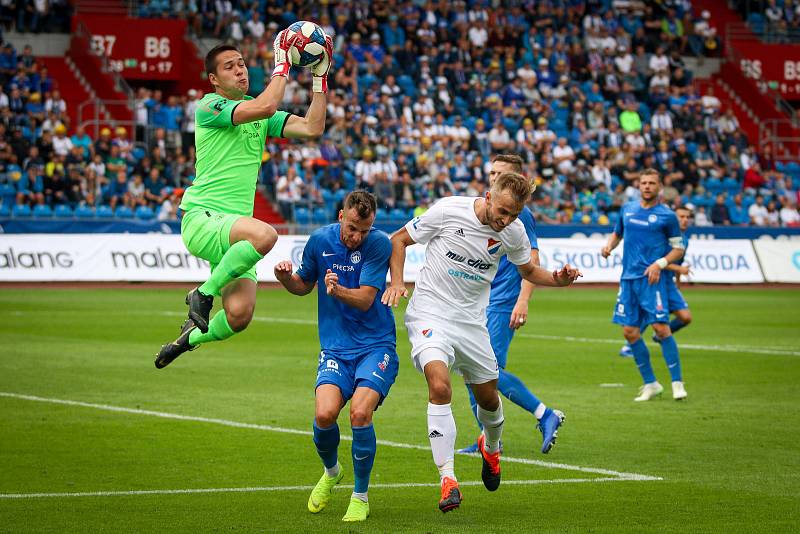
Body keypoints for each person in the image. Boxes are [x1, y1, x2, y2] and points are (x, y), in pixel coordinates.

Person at [381, 173, 581, 513]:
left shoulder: (513, 232)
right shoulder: (448, 211)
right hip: (429, 313)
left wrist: (558, 279)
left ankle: (490, 447)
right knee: (440, 386)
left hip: (472, 324)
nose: (505, 220)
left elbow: (529, 271)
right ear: (488, 196)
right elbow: (397, 240)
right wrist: (398, 281)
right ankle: (448, 480)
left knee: (488, 399)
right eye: (502, 211)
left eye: (513, 215)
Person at [155, 31, 333, 368]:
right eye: (229, 67)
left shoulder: (260, 116)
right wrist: (282, 64)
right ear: (214, 80)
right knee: (266, 235)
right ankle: (203, 294)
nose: (240, 70)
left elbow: (312, 128)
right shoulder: (209, 106)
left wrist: (319, 79)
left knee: (239, 316)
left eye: (241, 64)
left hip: (234, 234)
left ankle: (186, 340)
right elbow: (266, 104)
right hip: (203, 219)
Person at [274, 191, 398, 523]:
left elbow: (366, 300)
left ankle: (360, 496)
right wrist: (286, 278)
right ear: (341, 216)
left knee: (359, 413)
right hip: (336, 348)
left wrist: (338, 289)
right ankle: (331, 473)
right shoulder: (319, 240)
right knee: (325, 415)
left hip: (376, 346)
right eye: (354, 227)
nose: (357, 237)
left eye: (365, 229)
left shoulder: (378, 244)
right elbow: (303, 285)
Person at [457, 154, 565, 456]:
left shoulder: (521, 214)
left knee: (486, 371)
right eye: (491, 172)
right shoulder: (490, 209)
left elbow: (533, 262)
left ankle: (545, 414)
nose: (493, 178)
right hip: (483, 301)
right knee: (471, 372)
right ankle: (489, 439)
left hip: (504, 302)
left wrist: (523, 300)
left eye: (500, 174)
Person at [601, 169, 688, 402]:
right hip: (628, 279)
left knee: (661, 328)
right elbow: (617, 233)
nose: (647, 186)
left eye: (651, 183)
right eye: (643, 183)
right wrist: (609, 246)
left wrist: (659, 264)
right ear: (638, 186)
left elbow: (678, 248)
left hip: (652, 279)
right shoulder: (627, 208)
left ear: (660, 187)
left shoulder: (667, 216)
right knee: (629, 331)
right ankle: (651, 384)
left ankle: (677, 383)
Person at [619, 205, 693, 356]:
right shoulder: (663, 237)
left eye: (687, 217)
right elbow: (655, 262)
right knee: (648, 314)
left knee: (685, 317)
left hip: (669, 284)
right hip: (655, 280)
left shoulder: (684, 241)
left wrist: (677, 283)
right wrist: (678, 270)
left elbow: (678, 263)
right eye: (681, 217)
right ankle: (628, 346)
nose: (685, 220)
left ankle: (660, 336)